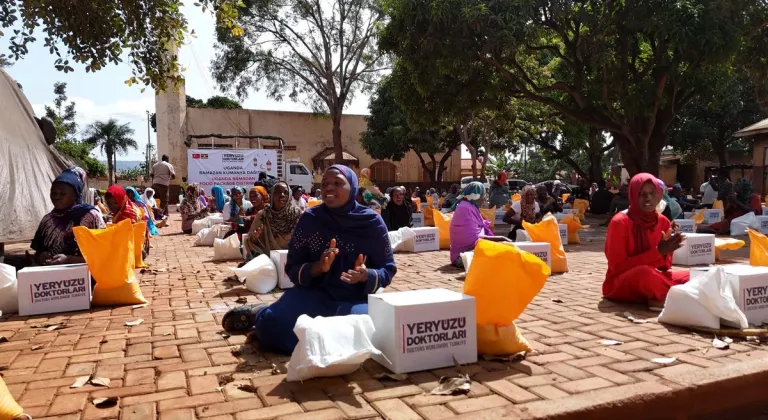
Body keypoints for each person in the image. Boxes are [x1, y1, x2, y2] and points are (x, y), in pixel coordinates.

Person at [221, 165, 397, 355]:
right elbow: (292, 268)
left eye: (337, 183)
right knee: (274, 327)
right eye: (325, 183)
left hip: (353, 299)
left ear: (352, 187)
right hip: (313, 295)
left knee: (362, 334)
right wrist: (318, 267)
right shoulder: (310, 219)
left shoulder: (372, 222)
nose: (329, 188)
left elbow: (387, 269)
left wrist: (366, 275)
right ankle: (263, 314)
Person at [603, 173, 689, 304]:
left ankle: (673, 295)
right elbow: (618, 267)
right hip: (620, 282)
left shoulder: (664, 222)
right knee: (644, 274)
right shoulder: (619, 222)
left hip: (654, 276)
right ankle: (684, 296)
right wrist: (658, 252)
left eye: (652, 193)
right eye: (641, 194)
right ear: (633, 195)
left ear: (659, 195)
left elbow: (665, 267)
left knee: (693, 275)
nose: (648, 198)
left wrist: (667, 251)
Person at [31, 168, 106, 265]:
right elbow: (37, 253)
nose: (57, 197)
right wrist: (40, 257)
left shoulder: (90, 215)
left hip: (83, 278)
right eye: (54, 193)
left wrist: (69, 260)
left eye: (62, 193)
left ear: (75, 195)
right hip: (50, 278)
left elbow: (103, 254)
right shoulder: (47, 220)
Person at [449, 182, 509, 267]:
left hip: (463, 254)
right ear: (476, 196)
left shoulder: (467, 206)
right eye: (483, 196)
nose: (484, 199)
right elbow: (474, 239)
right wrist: (500, 238)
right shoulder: (465, 208)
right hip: (464, 256)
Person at [244, 182, 301, 260]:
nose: (282, 195)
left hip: (293, 259)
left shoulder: (296, 214)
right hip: (269, 259)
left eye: (285, 192)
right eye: (277, 192)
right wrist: (255, 237)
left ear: (290, 196)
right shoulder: (263, 215)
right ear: (272, 196)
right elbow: (250, 241)